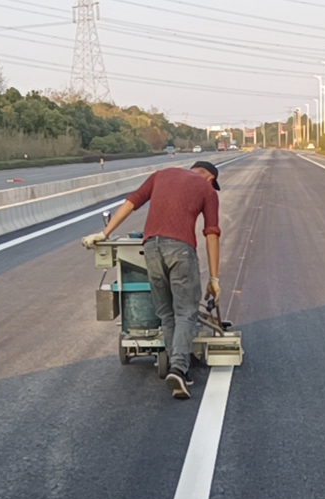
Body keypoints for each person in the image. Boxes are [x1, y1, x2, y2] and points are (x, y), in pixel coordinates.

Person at [82, 161, 222, 399]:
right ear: (210, 177)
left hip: (151, 248)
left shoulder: (161, 175)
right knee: (186, 312)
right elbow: (211, 233)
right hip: (180, 249)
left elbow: (131, 202)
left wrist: (103, 234)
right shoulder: (207, 189)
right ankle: (179, 367)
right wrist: (214, 278)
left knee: (166, 312)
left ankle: (175, 367)